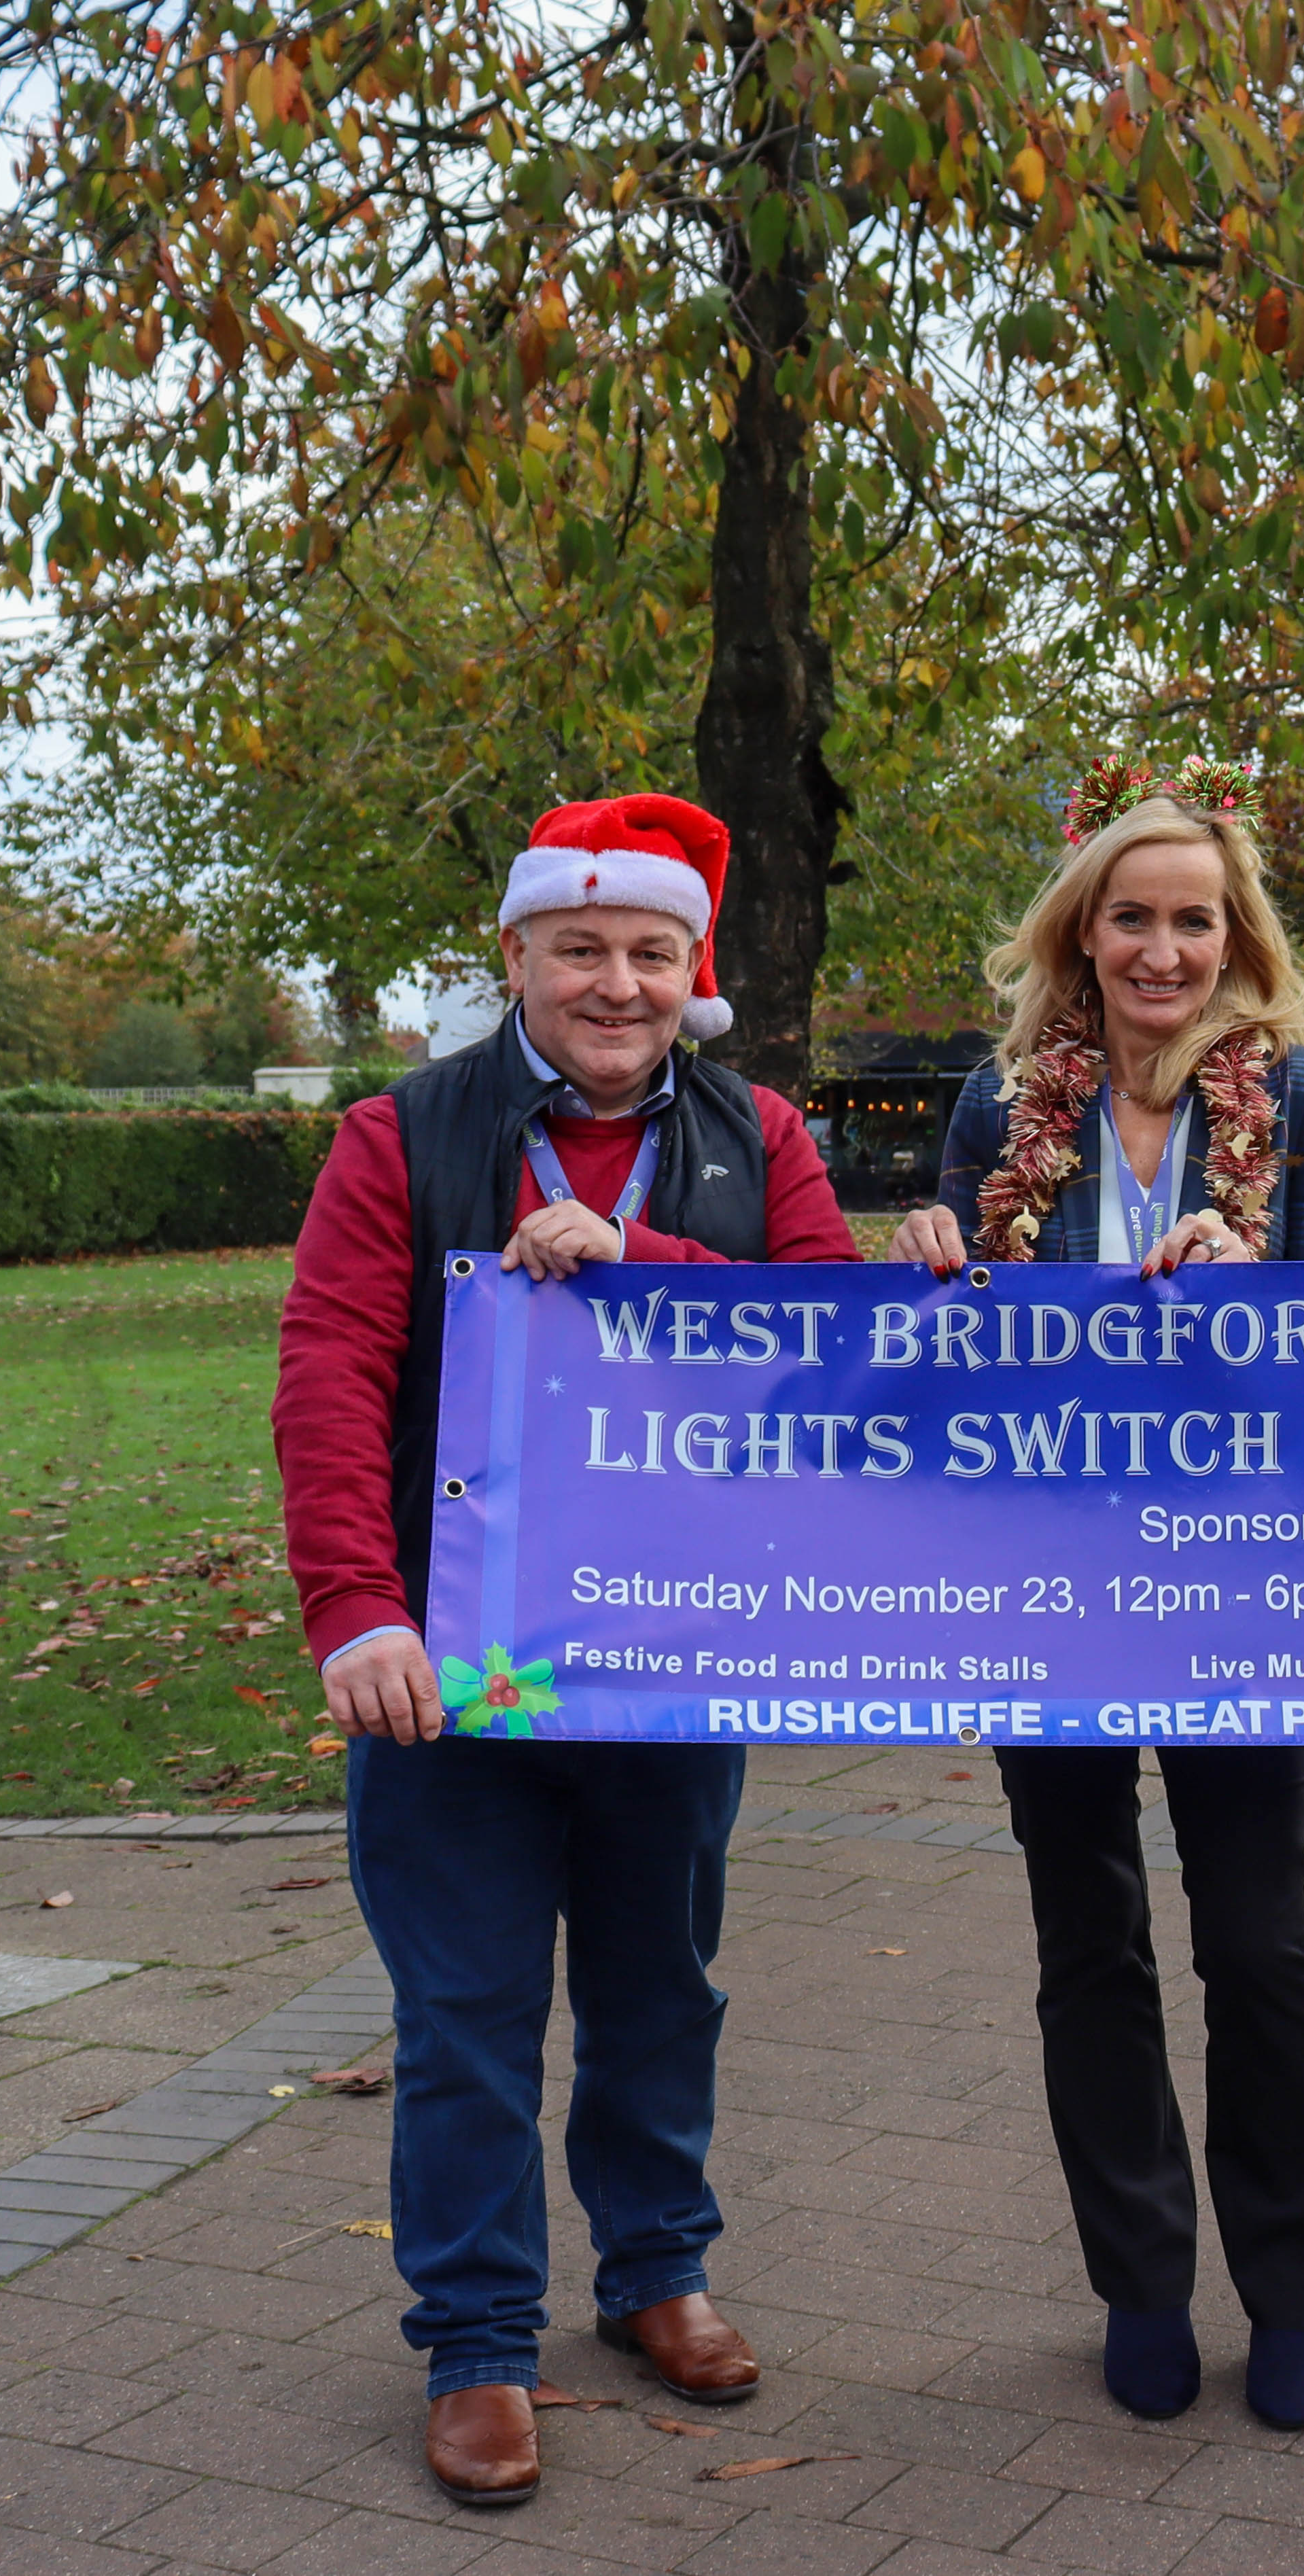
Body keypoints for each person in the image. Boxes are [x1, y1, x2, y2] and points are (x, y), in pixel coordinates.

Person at [278, 794, 858, 2509]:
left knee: (658, 1987)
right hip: (457, 1666)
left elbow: (834, 1357)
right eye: (583, 948)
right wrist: (355, 1609)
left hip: (670, 1651)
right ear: (515, 955)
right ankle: (474, 2342)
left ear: (697, 973)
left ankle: (655, 2270)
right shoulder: (403, 1133)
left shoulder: (764, 1139)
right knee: (464, 2013)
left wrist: (650, 1265)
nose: (617, 984)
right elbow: (329, 1376)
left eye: (651, 954)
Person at [888, 762, 1304, 2434]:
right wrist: (940, 1265)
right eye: (1132, 915)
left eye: (1194, 917)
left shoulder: (1300, 1093)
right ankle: (1141, 2279)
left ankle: (1294, 2287)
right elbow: (961, 1348)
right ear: (1080, 933)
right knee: (1086, 1933)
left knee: (1259, 1940)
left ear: (1232, 935)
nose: (1162, 946)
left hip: (1243, 1578)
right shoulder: (998, 1100)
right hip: (1050, 1578)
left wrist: (1272, 1293)